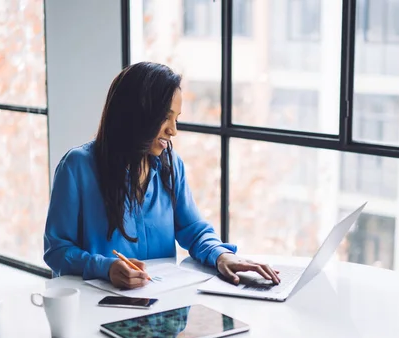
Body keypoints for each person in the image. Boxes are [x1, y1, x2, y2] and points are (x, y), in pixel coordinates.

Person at [43, 62, 280, 289]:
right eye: (165, 117)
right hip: (99, 308)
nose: (173, 130)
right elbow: (56, 250)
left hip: (162, 308)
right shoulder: (76, 167)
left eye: (176, 118)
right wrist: (105, 268)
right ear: (135, 114)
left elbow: (194, 230)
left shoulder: (172, 165)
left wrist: (221, 255)